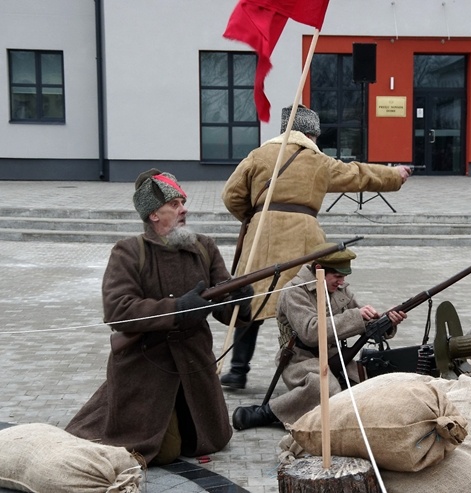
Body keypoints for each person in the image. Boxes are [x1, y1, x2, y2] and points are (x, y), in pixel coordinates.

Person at [65, 169, 253, 466]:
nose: (184, 209)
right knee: (162, 451)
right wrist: (177, 309)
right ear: (154, 214)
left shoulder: (204, 248)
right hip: (147, 370)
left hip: (194, 367)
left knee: (206, 441)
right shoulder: (128, 251)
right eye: (175, 204)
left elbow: (225, 310)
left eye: (182, 202)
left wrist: (241, 302)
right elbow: (118, 311)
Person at [219, 104, 412, 389]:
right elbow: (357, 174)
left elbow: (230, 195)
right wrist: (394, 175)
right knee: (309, 303)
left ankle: (237, 371)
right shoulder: (317, 160)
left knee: (253, 302)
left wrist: (257, 217)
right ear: (311, 134)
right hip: (305, 240)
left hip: (262, 236)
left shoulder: (257, 155)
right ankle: (310, 365)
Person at [231, 243, 407, 430]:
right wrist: (357, 316)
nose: (341, 281)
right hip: (299, 358)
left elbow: (365, 322)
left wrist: (387, 322)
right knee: (324, 388)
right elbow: (310, 332)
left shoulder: (340, 290)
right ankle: (265, 414)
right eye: (337, 276)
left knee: (369, 387)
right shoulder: (295, 291)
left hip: (334, 356)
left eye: (344, 277)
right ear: (318, 269)